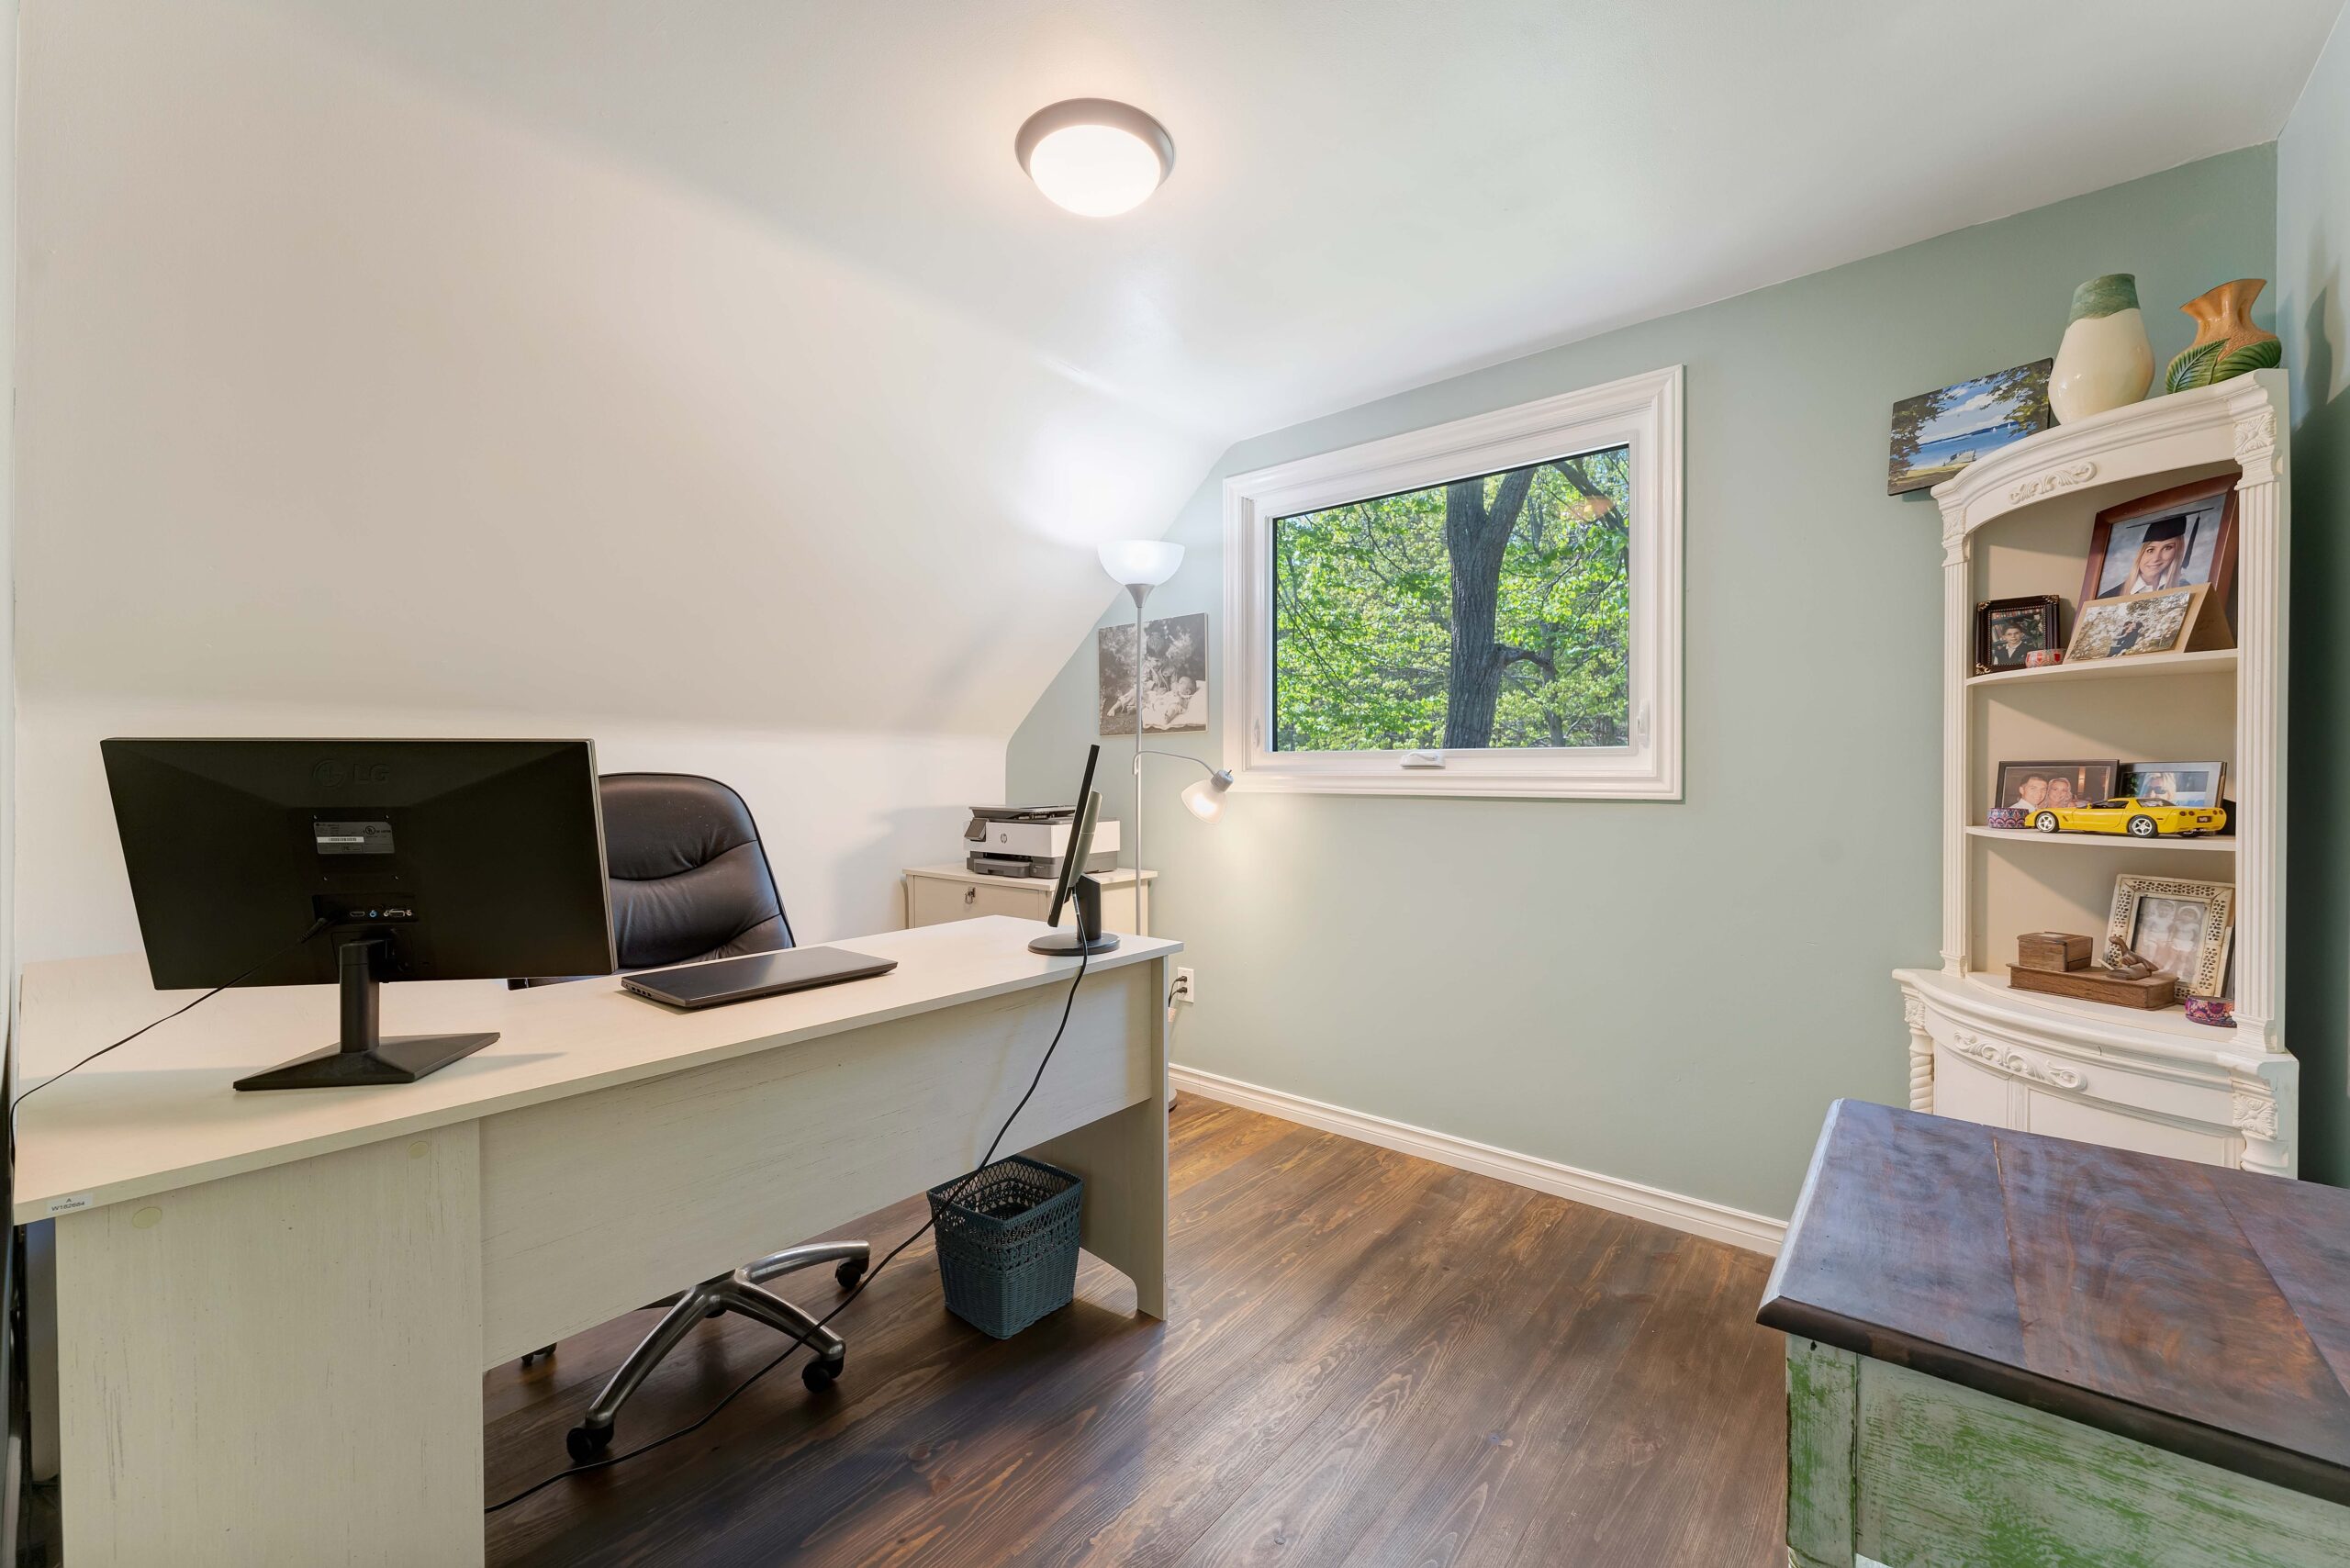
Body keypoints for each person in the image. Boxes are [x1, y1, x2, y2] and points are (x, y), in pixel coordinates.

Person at [2119, 517, 2189, 594]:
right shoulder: (2111, 596)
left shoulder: (2185, 589)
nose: (2156, 558)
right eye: (2150, 550)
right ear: (2141, 554)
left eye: (2167, 548)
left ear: (2177, 552)